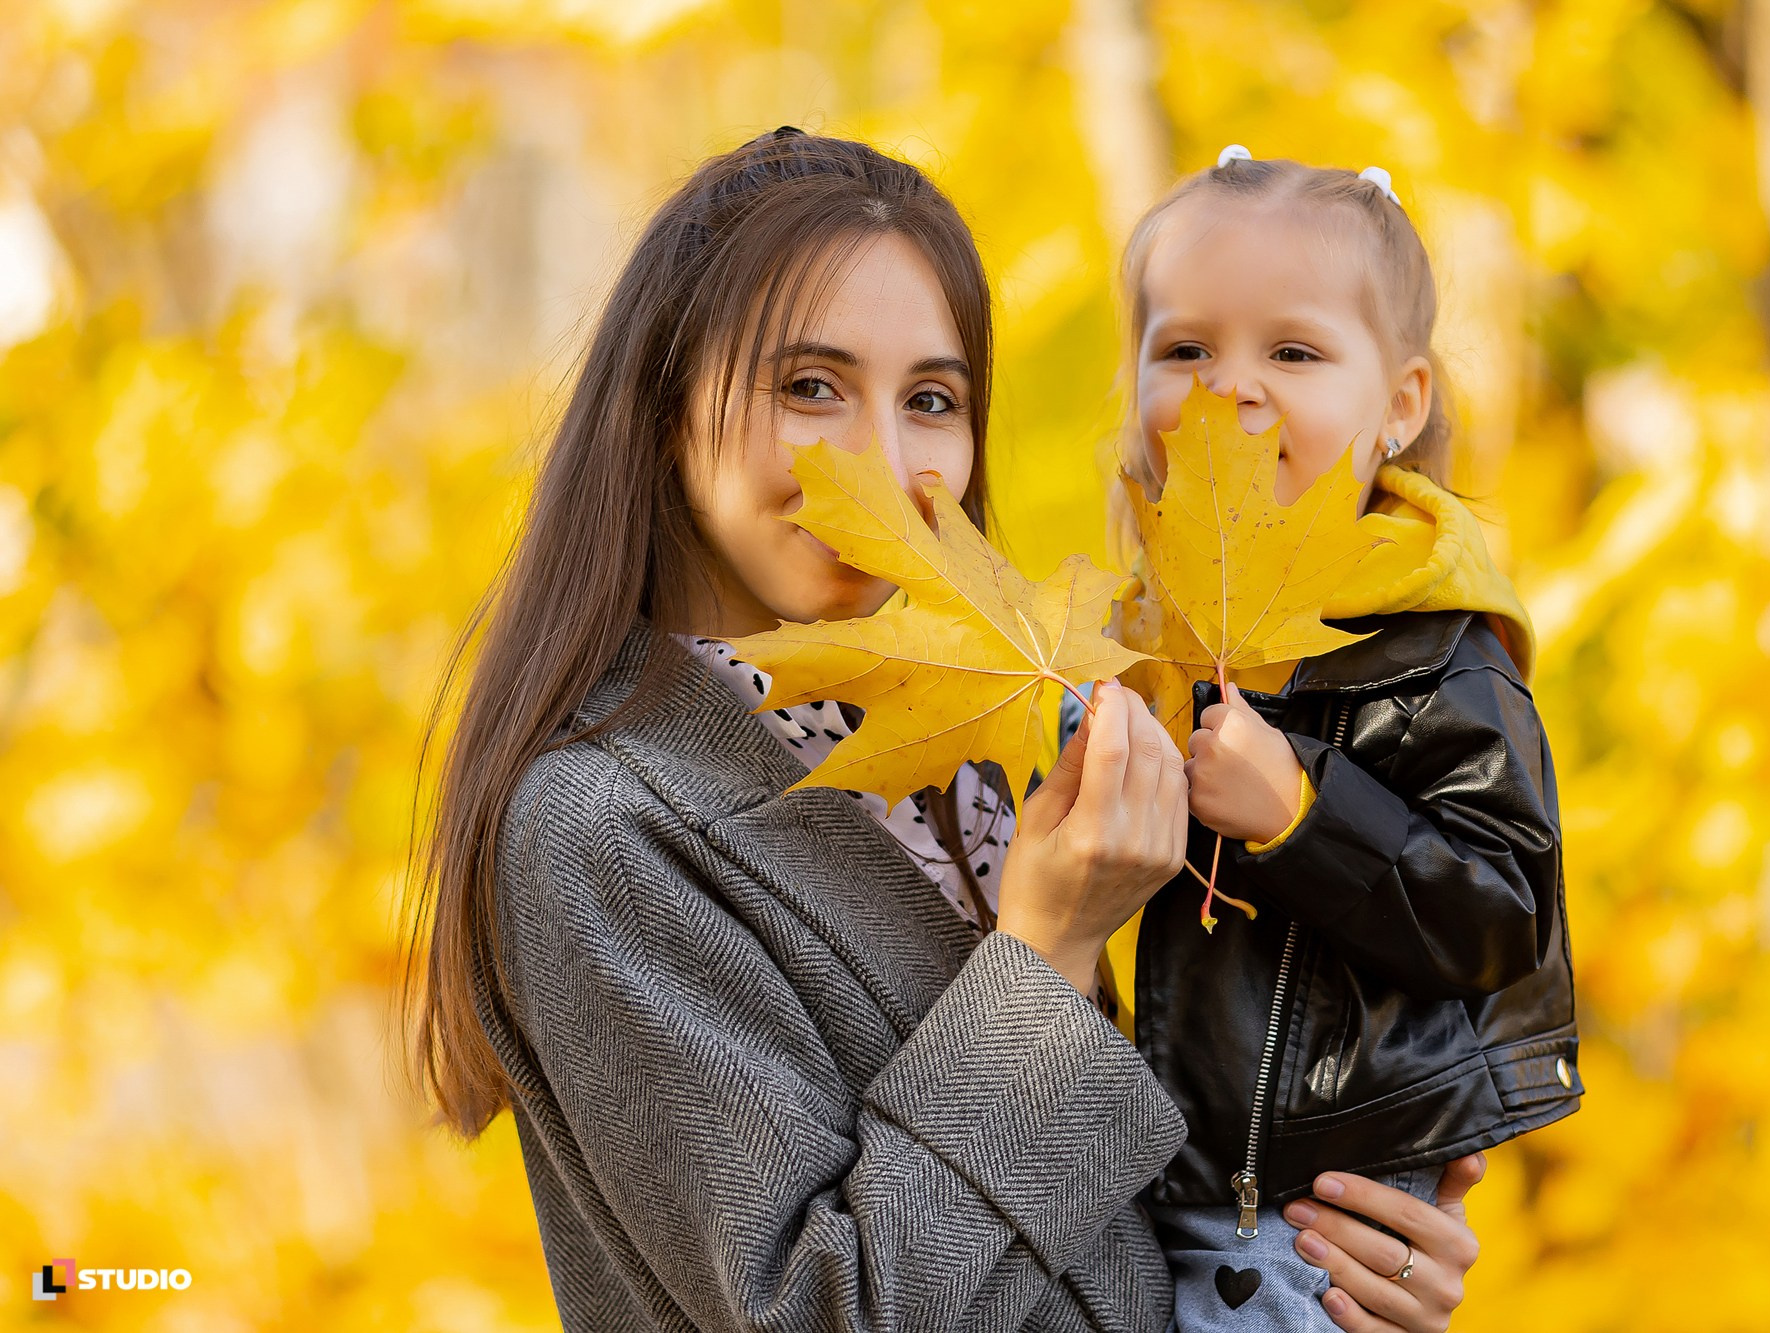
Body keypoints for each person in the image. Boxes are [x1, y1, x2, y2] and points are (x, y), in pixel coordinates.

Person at [404, 129, 1486, 1331]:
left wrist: (1317, 1256)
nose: (883, 459)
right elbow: (823, 1310)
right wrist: (1043, 953)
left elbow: (1085, 1250)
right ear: (666, 403)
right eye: (809, 386)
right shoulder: (599, 825)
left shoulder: (962, 753)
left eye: (930, 400)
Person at [1101, 147, 1582, 1328]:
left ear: (1399, 406)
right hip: (1157, 1181)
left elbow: (1504, 915)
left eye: (1293, 352)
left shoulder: (1435, 657)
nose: (1230, 391)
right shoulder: (1147, 641)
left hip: (1317, 1219)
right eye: (1185, 351)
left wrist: (1304, 813)